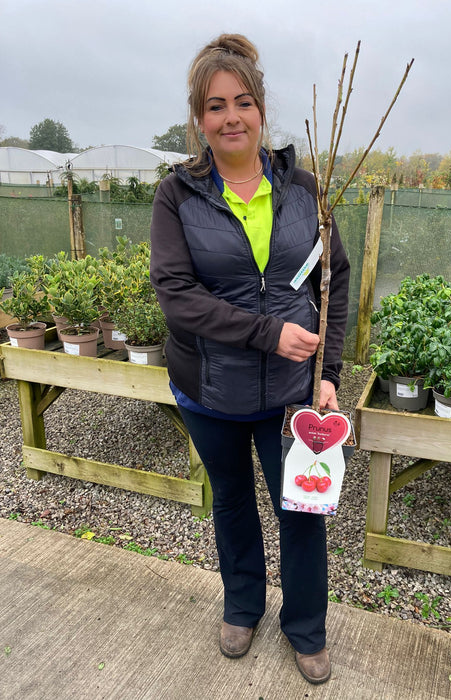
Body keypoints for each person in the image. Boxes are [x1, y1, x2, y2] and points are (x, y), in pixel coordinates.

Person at [149, 33, 350, 685]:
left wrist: (329, 374)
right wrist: (266, 333)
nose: (229, 116)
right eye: (214, 106)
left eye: (241, 102)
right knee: (231, 500)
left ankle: (306, 628)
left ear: (260, 109)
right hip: (208, 389)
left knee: (301, 509)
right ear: (198, 119)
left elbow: (332, 281)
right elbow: (177, 298)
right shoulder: (177, 196)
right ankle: (242, 606)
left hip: (290, 393)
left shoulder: (302, 190)